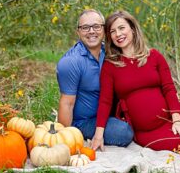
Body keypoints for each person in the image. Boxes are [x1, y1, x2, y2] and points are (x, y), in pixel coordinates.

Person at [91, 10, 180, 152]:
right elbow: (105, 101)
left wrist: (177, 120)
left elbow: (169, 89)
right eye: (112, 31)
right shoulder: (110, 66)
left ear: (132, 29)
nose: (118, 34)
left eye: (121, 28)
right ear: (109, 37)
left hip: (172, 117)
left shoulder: (154, 56)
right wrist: (99, 135)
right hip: (148, 132)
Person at [56, 9, 135, 147]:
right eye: (85, 27)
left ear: (104, 30)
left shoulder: (110, 53)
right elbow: (66, 104)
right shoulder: (70, 62)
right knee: (124, 132)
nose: (91, 31)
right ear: (78, 32)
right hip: (85, 121)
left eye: (96, 26)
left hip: (110, 112)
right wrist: (65, 138)